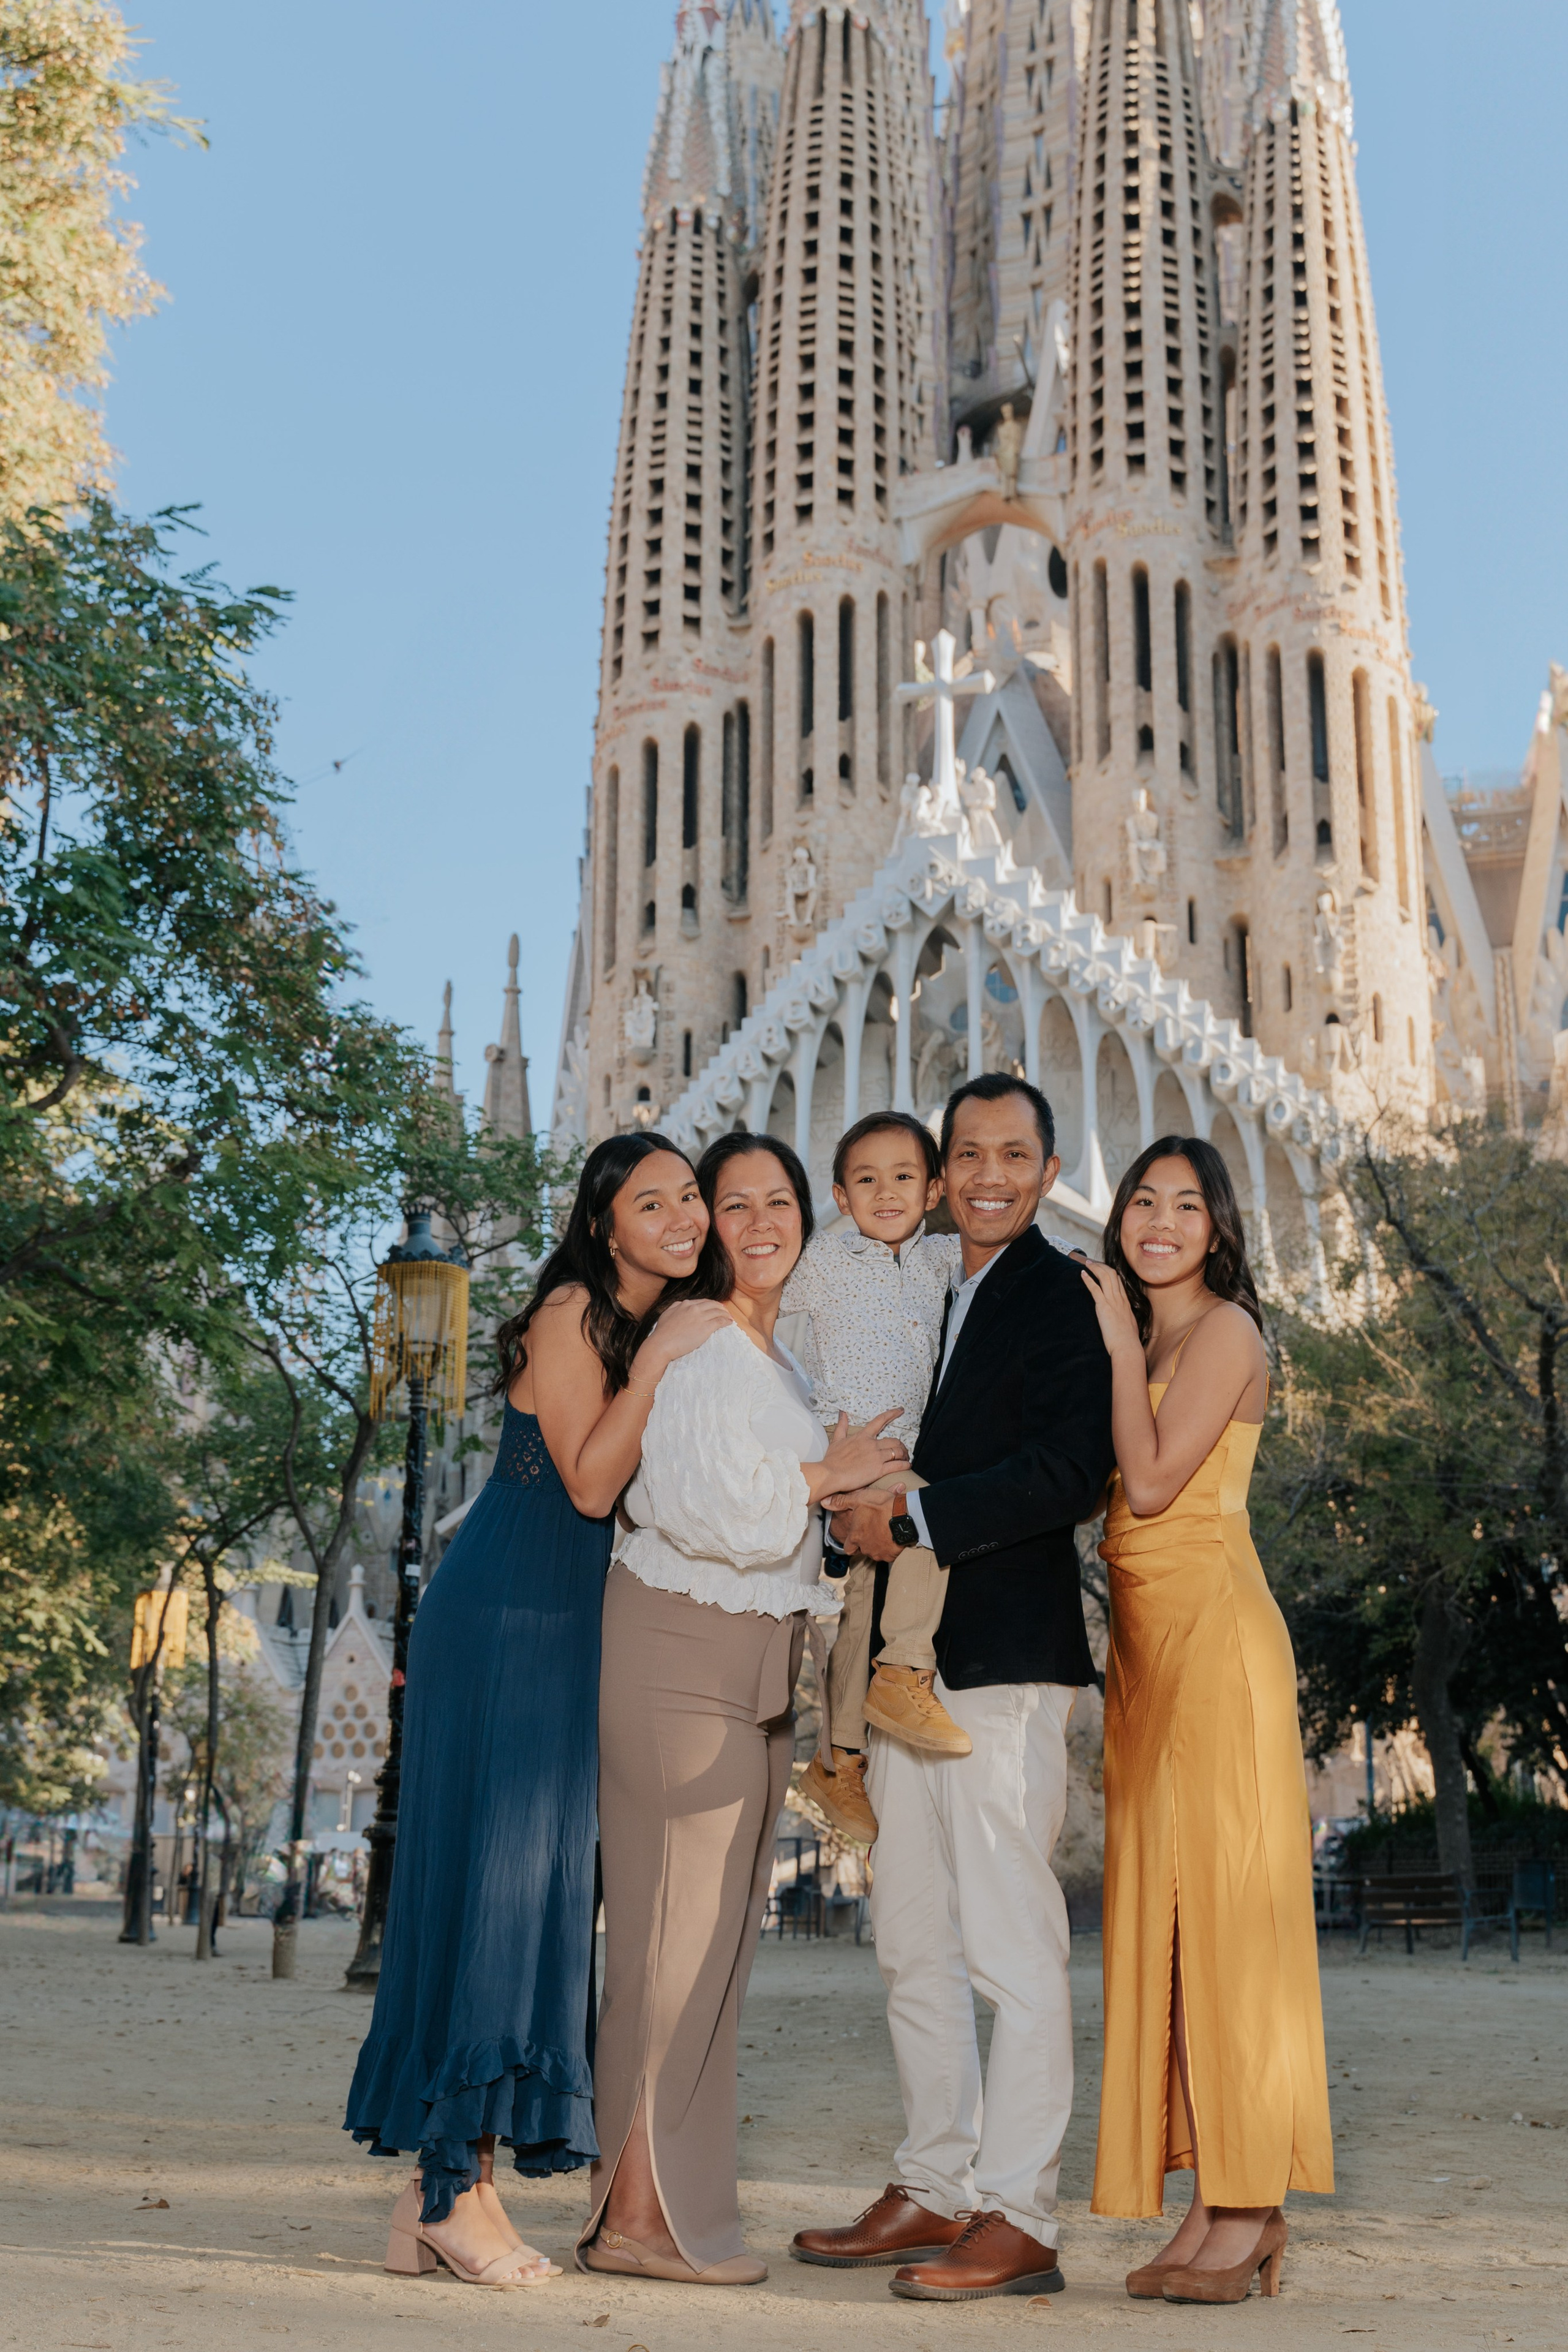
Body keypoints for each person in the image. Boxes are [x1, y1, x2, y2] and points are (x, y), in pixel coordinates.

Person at [345, 1135, 729, 2290]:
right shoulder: (573, 1309)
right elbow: (592, 1482)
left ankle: (435, 2190)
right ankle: (455, 2190)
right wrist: (663, 1359)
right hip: (509, 1611)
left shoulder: (661, 1321)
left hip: (573, 1627)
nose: (683, 1215)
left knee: (529, 1887)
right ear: (605, 1224)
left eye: (690, 1195)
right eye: (650, 1200)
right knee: (498, 1887)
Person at [794, 1073, 1114, 2302]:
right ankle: (932, 2175)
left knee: (1009, 1939)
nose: (988, 1174)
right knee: (909, 1934)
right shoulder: (926, 1282)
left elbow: (1068, 1466)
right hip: (902, 1663)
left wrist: (912, 1511)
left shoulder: (1058, 1288)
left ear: (1042, 1167)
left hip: (999, 1657)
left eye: (1011, 1153)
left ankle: (1017, 2207)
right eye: (967, 1152)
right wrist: (854, 1516)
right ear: (941, 1171)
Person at [579, 1133, 908, 2288]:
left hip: (754, 1657)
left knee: (715, 1951)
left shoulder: (778, 1361)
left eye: (779, 1200)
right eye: (734, 1204)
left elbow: (789, 1518)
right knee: (669, 1947)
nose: (759, 1221)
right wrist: (824, 1477)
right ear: (707, 1228)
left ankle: (675, 2205)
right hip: (681, 1646)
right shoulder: (706, 1343)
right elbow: (722, 1509)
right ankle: (632, 2216)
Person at [1080, 1136, 1332, 2304]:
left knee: (1231, 1920)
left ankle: (1253, 2203)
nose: (1162, 1220)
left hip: (1219, 1641)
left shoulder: (1223, 1328)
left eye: (1188, 1203)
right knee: (1172, 1925)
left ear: (1219, 1228)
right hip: (1145, 1652)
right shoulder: (1148, 1338)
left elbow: (1148, 1483)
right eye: (1145, 1199)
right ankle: (1210, 2196)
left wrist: (1123, 1345)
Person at [783, 1110, 966, 1845]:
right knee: (928, 1519)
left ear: (933, 1190)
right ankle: (906, 1669)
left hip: (907, 1458)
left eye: (903, 1176)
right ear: (839, 1194)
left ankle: (838, 1760)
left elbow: (1022, 1265)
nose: (885, 1191)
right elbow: (752, 1301)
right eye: (866, 1179)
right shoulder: (824, 1260)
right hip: (856, 1454)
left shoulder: (944, 1260)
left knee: (857, 1612)